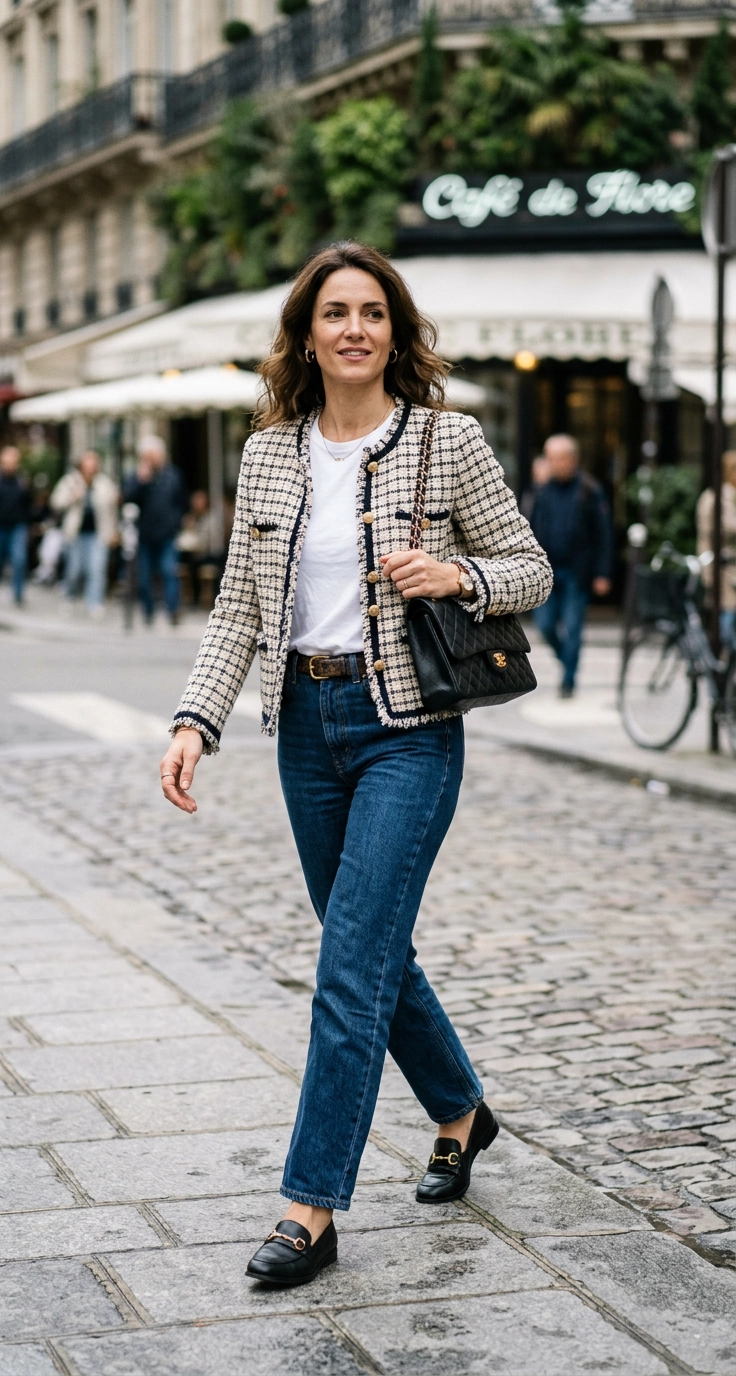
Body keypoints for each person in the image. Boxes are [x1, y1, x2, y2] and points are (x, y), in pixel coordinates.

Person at [159, 242, 552, 1287]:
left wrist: (457, 571)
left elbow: (533, 567)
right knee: (370, 945)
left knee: (347, 965)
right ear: (307, 334)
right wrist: (196, 718)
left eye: (371, 312)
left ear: (395, 329)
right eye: (334, 312)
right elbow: (241, 605)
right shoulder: (271, 455)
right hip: (306, 726)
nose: (353, 329)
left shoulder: (446, 440)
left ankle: (309, 1207)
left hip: (409, 729)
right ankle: (463, 1113)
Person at [529, 433, 612, 697]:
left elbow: (604, 535)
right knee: (544, 625)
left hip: (577, 572)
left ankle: (568, 679)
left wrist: (602, 573)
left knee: (574, 626)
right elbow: (528, 526)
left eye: (559, 458)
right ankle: (568, 663)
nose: (553, 464)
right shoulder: (541, 490)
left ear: (573, 460)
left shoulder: (590, 490)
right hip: (547, 571)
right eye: (549, 458)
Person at [123, 435, 187, 624]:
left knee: (169, 571)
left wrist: (176, 522)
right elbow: (127, 497)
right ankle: (148, 610)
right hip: (145, 535)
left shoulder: (173, 476)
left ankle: (172, 610)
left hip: (167, 534)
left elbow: (182, 502)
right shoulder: (138, 477)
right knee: (144, 576)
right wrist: (141, 481)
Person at [51, 451, 120, 615]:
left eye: (93, 466)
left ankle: (94, 603)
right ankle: (70, 597)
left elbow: (112, 511)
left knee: (97, 569)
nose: (90, 470)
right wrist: (71, 497)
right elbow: (55, 502)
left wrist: (115, 531)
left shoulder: (104, 484)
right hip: (75, 534)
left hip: (98, 534)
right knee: (74, 569)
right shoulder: (70, 482)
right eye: (87, 466)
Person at [0, 446, 32, 606]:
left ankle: (18, 595)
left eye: (13, 462)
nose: (10, 466)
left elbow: (28, 505)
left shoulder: (22, 482)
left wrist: (27, 525)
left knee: (19, 559)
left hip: (17, 526)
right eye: (7, 462)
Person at [697, 449, 736, 649]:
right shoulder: (714, 498)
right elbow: (705, 538)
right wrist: (708, 573)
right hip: (723, 570)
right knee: (727, 620)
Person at [176, 490, 224, 605]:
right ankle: (190, 597)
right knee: (184, 562)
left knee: (193, 563)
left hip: (211, 554)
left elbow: (211, 541)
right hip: (196, 552)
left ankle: (199, 598)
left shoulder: (211, 519)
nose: (196, 504)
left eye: (199, 501)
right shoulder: (192, 517)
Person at [520, 453, 550, 521]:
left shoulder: (553, 492)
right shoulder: (529, 493)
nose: (540, 472)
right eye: (537, 469)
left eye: (543, 468)